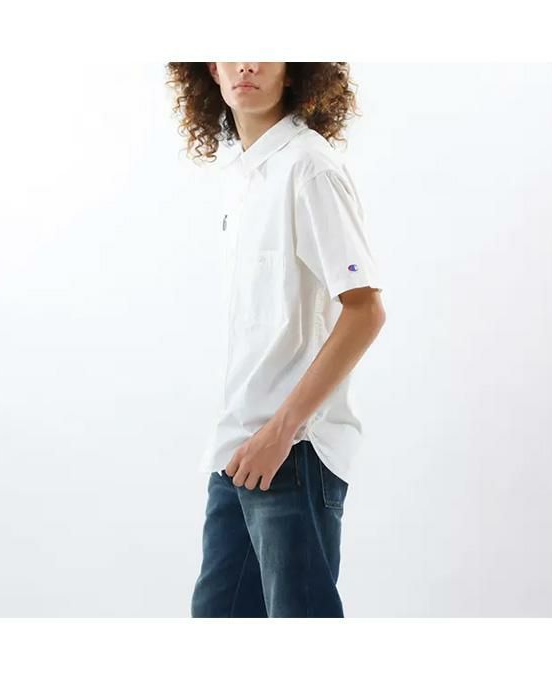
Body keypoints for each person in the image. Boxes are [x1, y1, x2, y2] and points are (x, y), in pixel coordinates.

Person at [166, 62, 386, 617]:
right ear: (210, 68)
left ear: (294, 70)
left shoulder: (309, 167)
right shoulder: (245, 178)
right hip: (236, 451)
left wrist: (282, 431)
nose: (247, 62)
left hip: (293, 452)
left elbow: (364, 311)